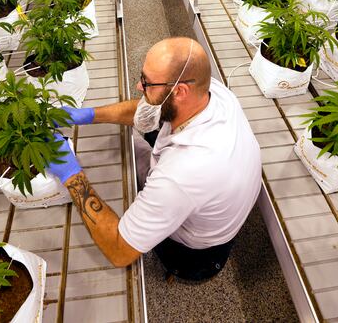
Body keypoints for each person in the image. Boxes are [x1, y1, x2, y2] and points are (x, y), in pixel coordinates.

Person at [48, 37, 262, 281]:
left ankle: (180, 272)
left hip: (196, 254)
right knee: (136, 142)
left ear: (180, 91)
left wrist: (71, 174)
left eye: (147, 82)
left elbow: (119, 251)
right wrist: (87, 116)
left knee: (134, 181)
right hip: (210, 194)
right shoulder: (211, 91)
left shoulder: (182, 175)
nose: (139, 87)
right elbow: (147, 109)